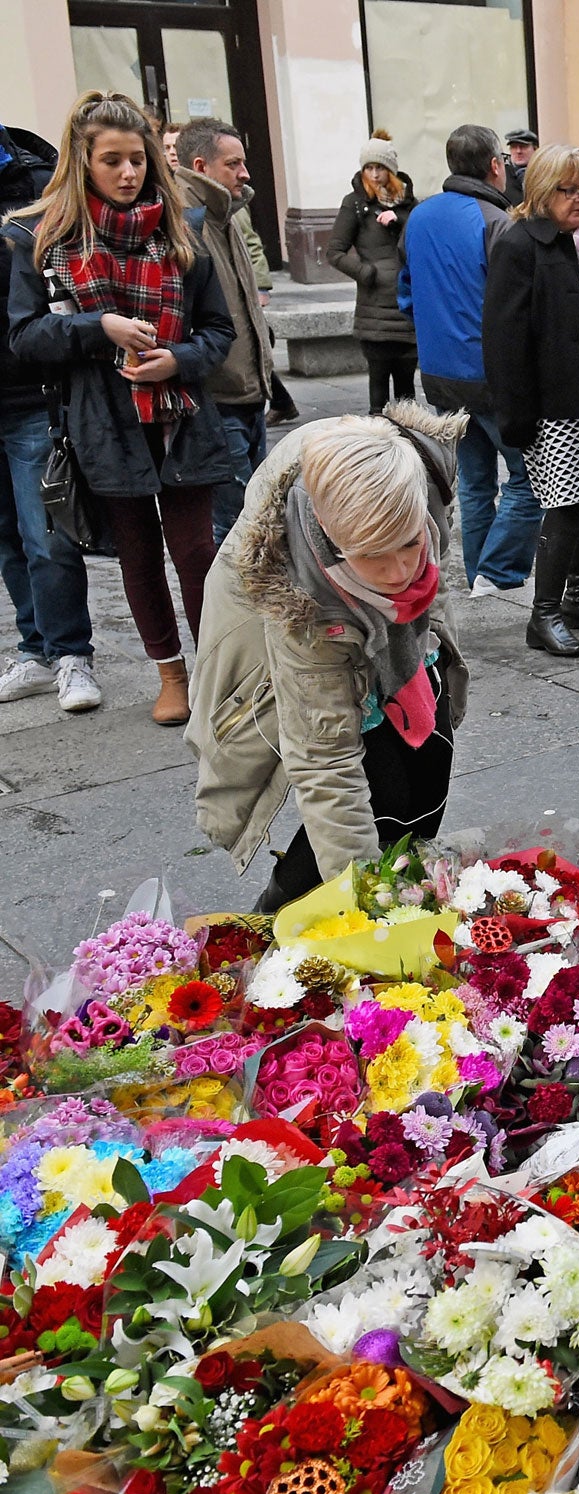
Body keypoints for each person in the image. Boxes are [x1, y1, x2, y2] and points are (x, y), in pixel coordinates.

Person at [7, 91, 236, 727]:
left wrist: (179, 360)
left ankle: (219, 675)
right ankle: (172, 676)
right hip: (102, 422)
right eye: (112, 161)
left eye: (137, 159)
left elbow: (220, 331)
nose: (129, 173)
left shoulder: (181, 231)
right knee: (137, 557)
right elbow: (24, 336)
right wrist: (97, 327)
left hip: (181, 416)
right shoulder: (42, 238)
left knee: (197, 556)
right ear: (83, 163)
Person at [188, 406, 467, 911]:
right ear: (333, 541)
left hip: (397, 640)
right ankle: (275, 919)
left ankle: (405, 883)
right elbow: (325, 761)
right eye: (372, 556)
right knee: (377, 792)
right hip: (297, 637)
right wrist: (364, 903)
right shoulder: (298, 597)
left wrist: (421, 646)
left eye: (408, 544)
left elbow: (435, 573)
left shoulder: (419, 478)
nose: (400, 570)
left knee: (425, 785)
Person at [483, 143, 579, 657]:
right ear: (540, 192)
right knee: (567, 503)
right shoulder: (520, 242)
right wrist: (516, 414)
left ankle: (578, 599)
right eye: (566, 190)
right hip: (557, 402)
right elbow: (505, 339)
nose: (578, 198)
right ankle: (543, 612)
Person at [399, 124, 541, 594]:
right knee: (530, 478)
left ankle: (482, 571)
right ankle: (497, 573)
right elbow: (517, 305)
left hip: (440, 372)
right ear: (496, 166)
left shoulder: (419, 217)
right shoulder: (495, 221)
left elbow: (407, 294)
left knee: (476, 482)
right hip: (490, 373)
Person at [0, 119, 98, 714]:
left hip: (27, 394)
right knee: (8, 537)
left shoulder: (34, 186)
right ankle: (34, 650)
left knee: (47, 535)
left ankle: (70, 655)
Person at [173, 117, 273, 545]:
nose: (245, 173)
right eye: (234, 164)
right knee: (239, 531)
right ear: (203, 165)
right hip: (215, 399)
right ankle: (232, 613)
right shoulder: (184, 221)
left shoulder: (227, 215)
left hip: (249, 395)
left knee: (261, 520)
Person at [325, 133, 419, 416]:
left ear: (391, 169)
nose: (374, 174)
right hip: (374, 308)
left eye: (380, 168)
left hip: (406, 306)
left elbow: (419, 239)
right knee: (378, 388)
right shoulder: (355, 203)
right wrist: (366, 272)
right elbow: (335, 251)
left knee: (406, 390)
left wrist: (399, 220)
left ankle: (411, 445)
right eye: (369, 168)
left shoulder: (409, 203)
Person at [504, 128, 537, 203]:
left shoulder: (544, 174)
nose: (518, 151)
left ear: (535, 149)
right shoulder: (502, 175)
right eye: (514, 147)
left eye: (523, 146)